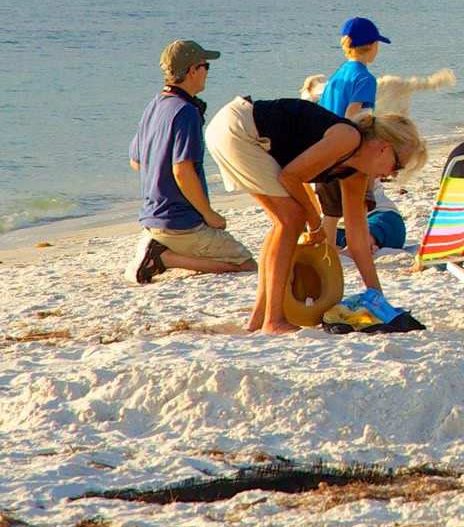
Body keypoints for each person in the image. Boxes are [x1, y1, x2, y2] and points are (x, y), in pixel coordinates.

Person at [204, 92, 426, 333]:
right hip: (239, 129)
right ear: (384, 148)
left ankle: (260, 318)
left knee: (284, 222)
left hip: (232, 130)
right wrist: (315, 222)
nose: (393, 175)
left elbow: (358, 238)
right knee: (292, 219)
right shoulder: (348, 137)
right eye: (398, 166)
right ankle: (274, 320)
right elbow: (290, 176)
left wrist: (379, 301)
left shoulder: (356, 172)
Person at [127, 40, 256, 284]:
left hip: (152, 217)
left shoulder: (155, 105)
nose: (208, 72)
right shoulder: (186, 110)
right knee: (247, 264)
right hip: (180, 223)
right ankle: (165, 259)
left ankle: (161, 251)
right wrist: (210, 215)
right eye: (206, 66)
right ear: (193, 70)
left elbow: (137, 161)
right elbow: (182, 171)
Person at [316, 17, 393, 294]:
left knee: (329, 210)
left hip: (323, 152)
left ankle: (325, 250)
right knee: (358, 206)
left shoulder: (337, 75)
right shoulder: (365, 78)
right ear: (372, 47)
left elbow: (323, 112)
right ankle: (353, 248)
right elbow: (355, 114)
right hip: (347, 150)